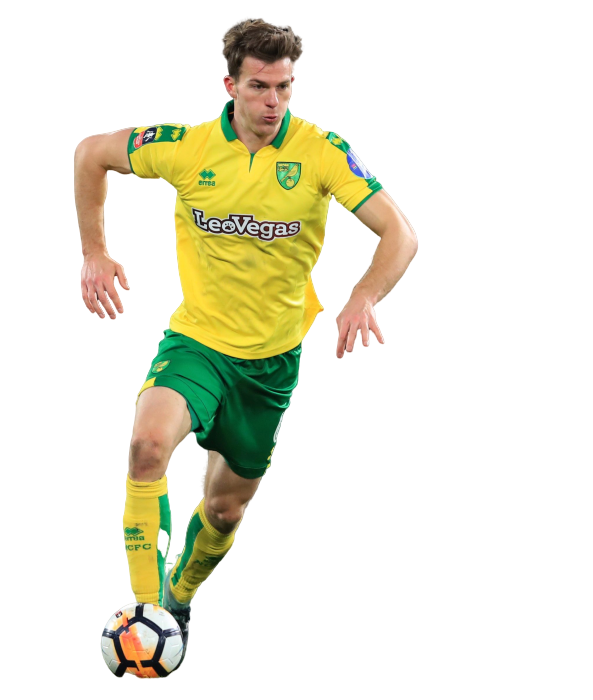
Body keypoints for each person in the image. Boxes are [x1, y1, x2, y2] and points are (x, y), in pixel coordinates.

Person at [74, 16, 418, 673]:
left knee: (224, 512)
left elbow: (401, 234)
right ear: (230, 85)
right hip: (197, 343)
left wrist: (364, 296)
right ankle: (146, 612)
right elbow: (91, 152)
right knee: (147, 446)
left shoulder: (321, 151)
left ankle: (180, 595)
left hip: (270, 367)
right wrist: (95, 252)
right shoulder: (187, 146)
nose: (273, 101)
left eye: (285, 87)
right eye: (259, 86)